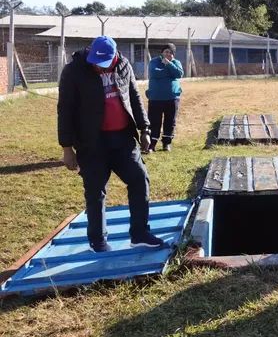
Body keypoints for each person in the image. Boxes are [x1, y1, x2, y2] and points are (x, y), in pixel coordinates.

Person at [57, 35, 164, 252]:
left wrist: (144, 129)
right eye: (95, 62)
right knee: (95, 191)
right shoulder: (74, 71)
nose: (98, 67)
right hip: (91, 142)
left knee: (139, 179)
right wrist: (67, 148)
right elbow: (65, 110)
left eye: (103, 63)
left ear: (114, 56)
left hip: (123, 139)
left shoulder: (124, 66)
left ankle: (140, 234)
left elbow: (134, 97)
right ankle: (98, 241)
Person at [146, 43, 184, 152]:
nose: (168, 54)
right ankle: (151, 144)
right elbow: (154, 73)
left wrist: (169, 64)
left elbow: (179, 74)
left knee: (170, 122)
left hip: (172, 98)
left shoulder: (176, 63)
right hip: (155, 98)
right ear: (162, 53)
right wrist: (170, 73)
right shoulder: (154, 62)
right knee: (154, 121)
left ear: (173, 55)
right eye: (166, 51)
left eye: (171, 52)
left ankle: (166, 143)